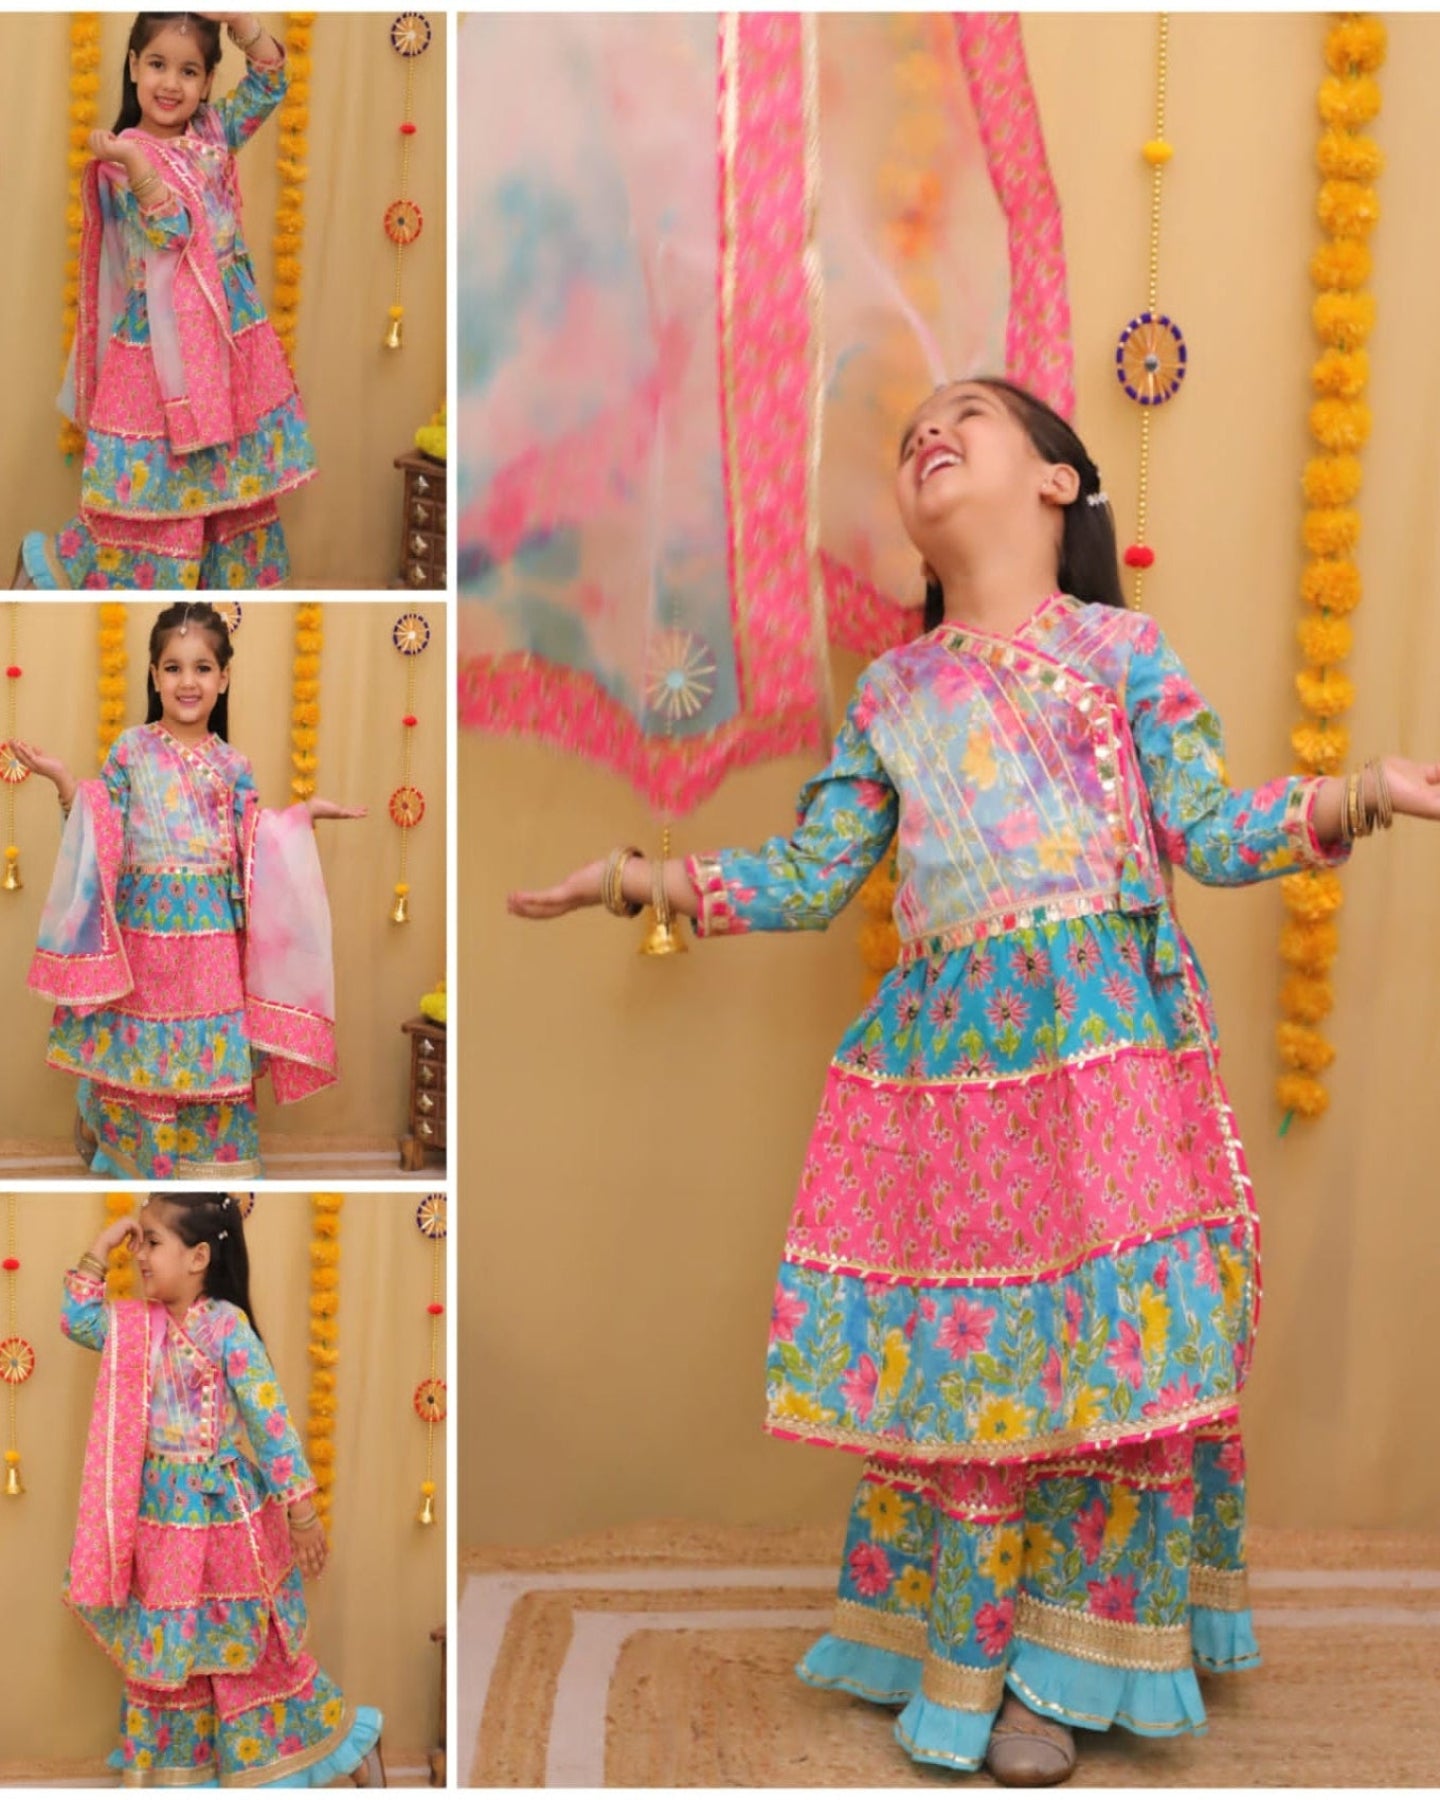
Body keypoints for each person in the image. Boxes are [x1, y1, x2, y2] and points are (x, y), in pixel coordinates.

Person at [508, 377, 1440, 1783]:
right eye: (910, 438)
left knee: (1110, 1349)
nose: (928, 435)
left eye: (968, 417)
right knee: (978, 1356)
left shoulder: (1119, 651)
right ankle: (962, 1647)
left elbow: (1207, 827)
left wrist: (1360, 793)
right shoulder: (896, 691)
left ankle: (1070, 1667)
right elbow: (813, 876)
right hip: (951, 1072)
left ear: (1059, 481)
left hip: (1104, 1051)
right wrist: (638, 878)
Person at [16, 599, 364, 1179]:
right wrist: (63, 781)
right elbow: (103, 826)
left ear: (223, 678)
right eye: (173, 667)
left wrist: (301, 817)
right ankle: (138, 1156)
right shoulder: (131, 750)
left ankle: (210, 1166)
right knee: (144, 1056)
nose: (187, 681)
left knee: (210, 1057)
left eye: (202, 668)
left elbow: (252, 842)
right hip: (144, 940)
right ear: (154, 676)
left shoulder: (233, 765)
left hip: (210, 946)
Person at [63, 1193, 385, 1786]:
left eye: (153, 1242)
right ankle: (189, 1778)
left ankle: (353, 1745)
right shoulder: (135, 1326)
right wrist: (103, 1245)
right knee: (172, 1656)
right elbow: (78, 1320)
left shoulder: (226, 1327)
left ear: (199, 1257)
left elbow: (270, 1420)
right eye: (139, 1241)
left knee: (248, 1655)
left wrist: (303, 1514)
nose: (140, 1254)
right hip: (160, 1521)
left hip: (227, 1520)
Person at [13, 13, 315, 591]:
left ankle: (215, 595)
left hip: (227, 334)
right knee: (160, 488)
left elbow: (271, 81)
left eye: (189, 71)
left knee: (228, 484)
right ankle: (63, 579)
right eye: (157, 64)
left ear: (208, 81)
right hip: (160, 345)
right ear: (133, 67)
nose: (171, 83)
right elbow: (171, 232)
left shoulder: (213, 134)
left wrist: (240, 22)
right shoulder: (122, 155)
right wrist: (135, 164)